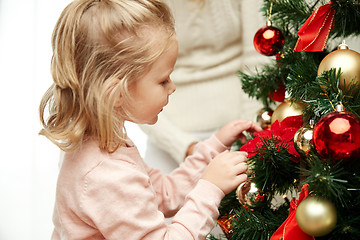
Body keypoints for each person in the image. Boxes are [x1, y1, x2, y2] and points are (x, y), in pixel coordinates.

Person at [39, 0, 262, 239]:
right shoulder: (106, 174)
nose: (173, 87)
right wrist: (211, 188)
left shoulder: (106, 145)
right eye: (163, 80)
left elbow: (164, 193)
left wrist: (213, 147)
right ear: (116, 93)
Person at [138, 0, 269, 173]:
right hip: (166, 133)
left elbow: (260, 58)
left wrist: (249, 136)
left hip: (242, 125)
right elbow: (131, 86)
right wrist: (185, 147)